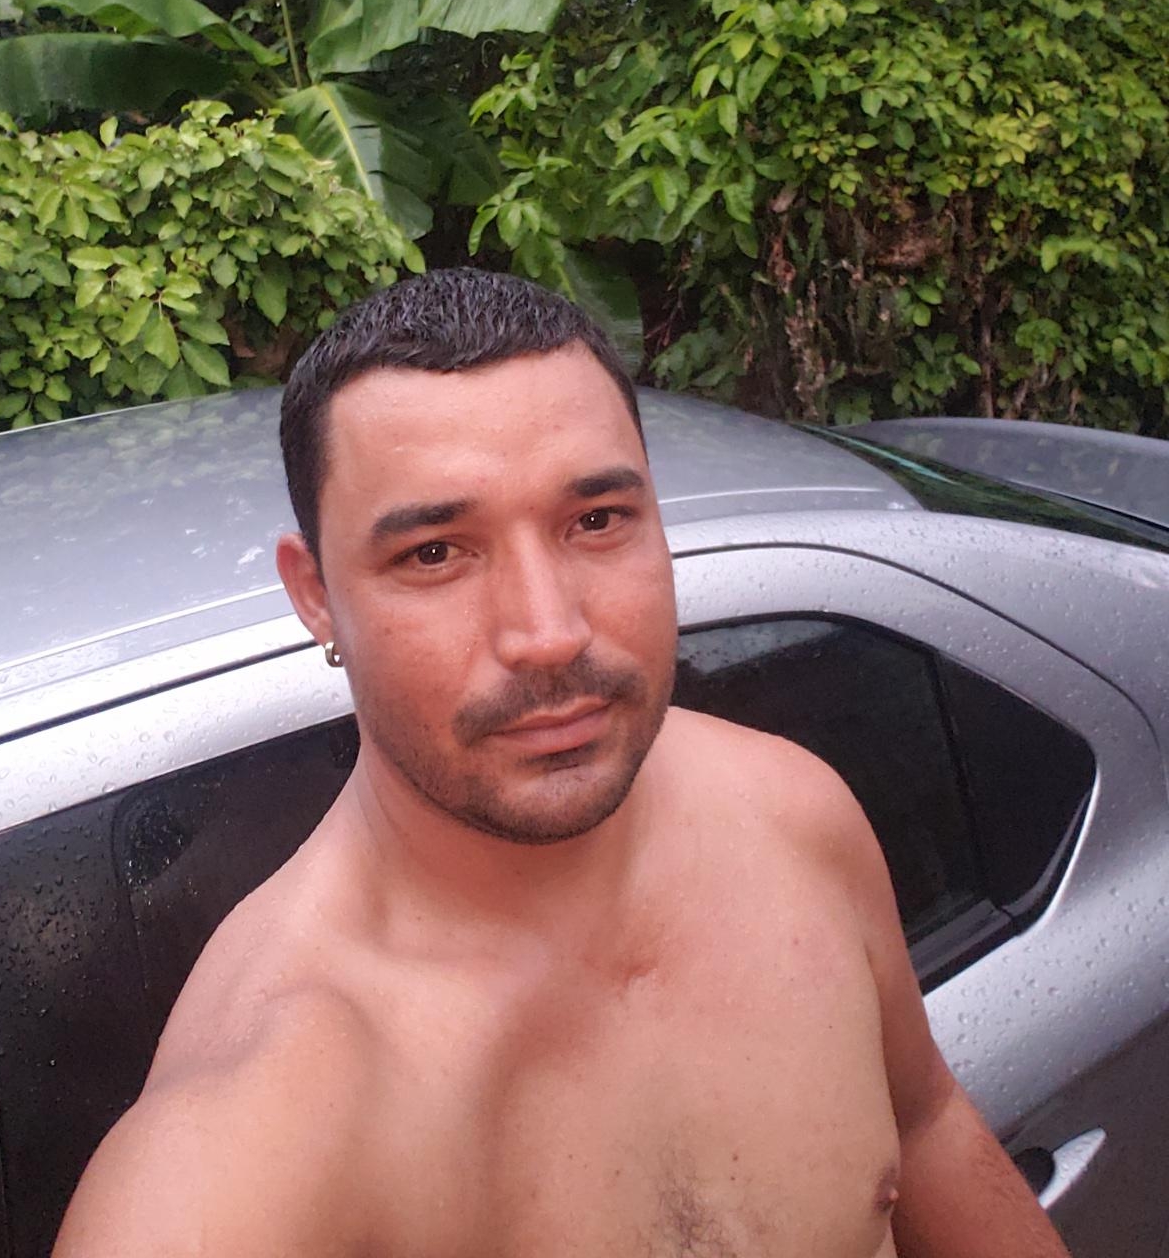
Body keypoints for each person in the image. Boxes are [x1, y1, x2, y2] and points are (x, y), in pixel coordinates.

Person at [55, 268, 1071, 1258]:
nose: (547, 633)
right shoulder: (245, 1148)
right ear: (316, 596)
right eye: (434, 552)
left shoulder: (795, 817)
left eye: (596, 521)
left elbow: (927, 1126)